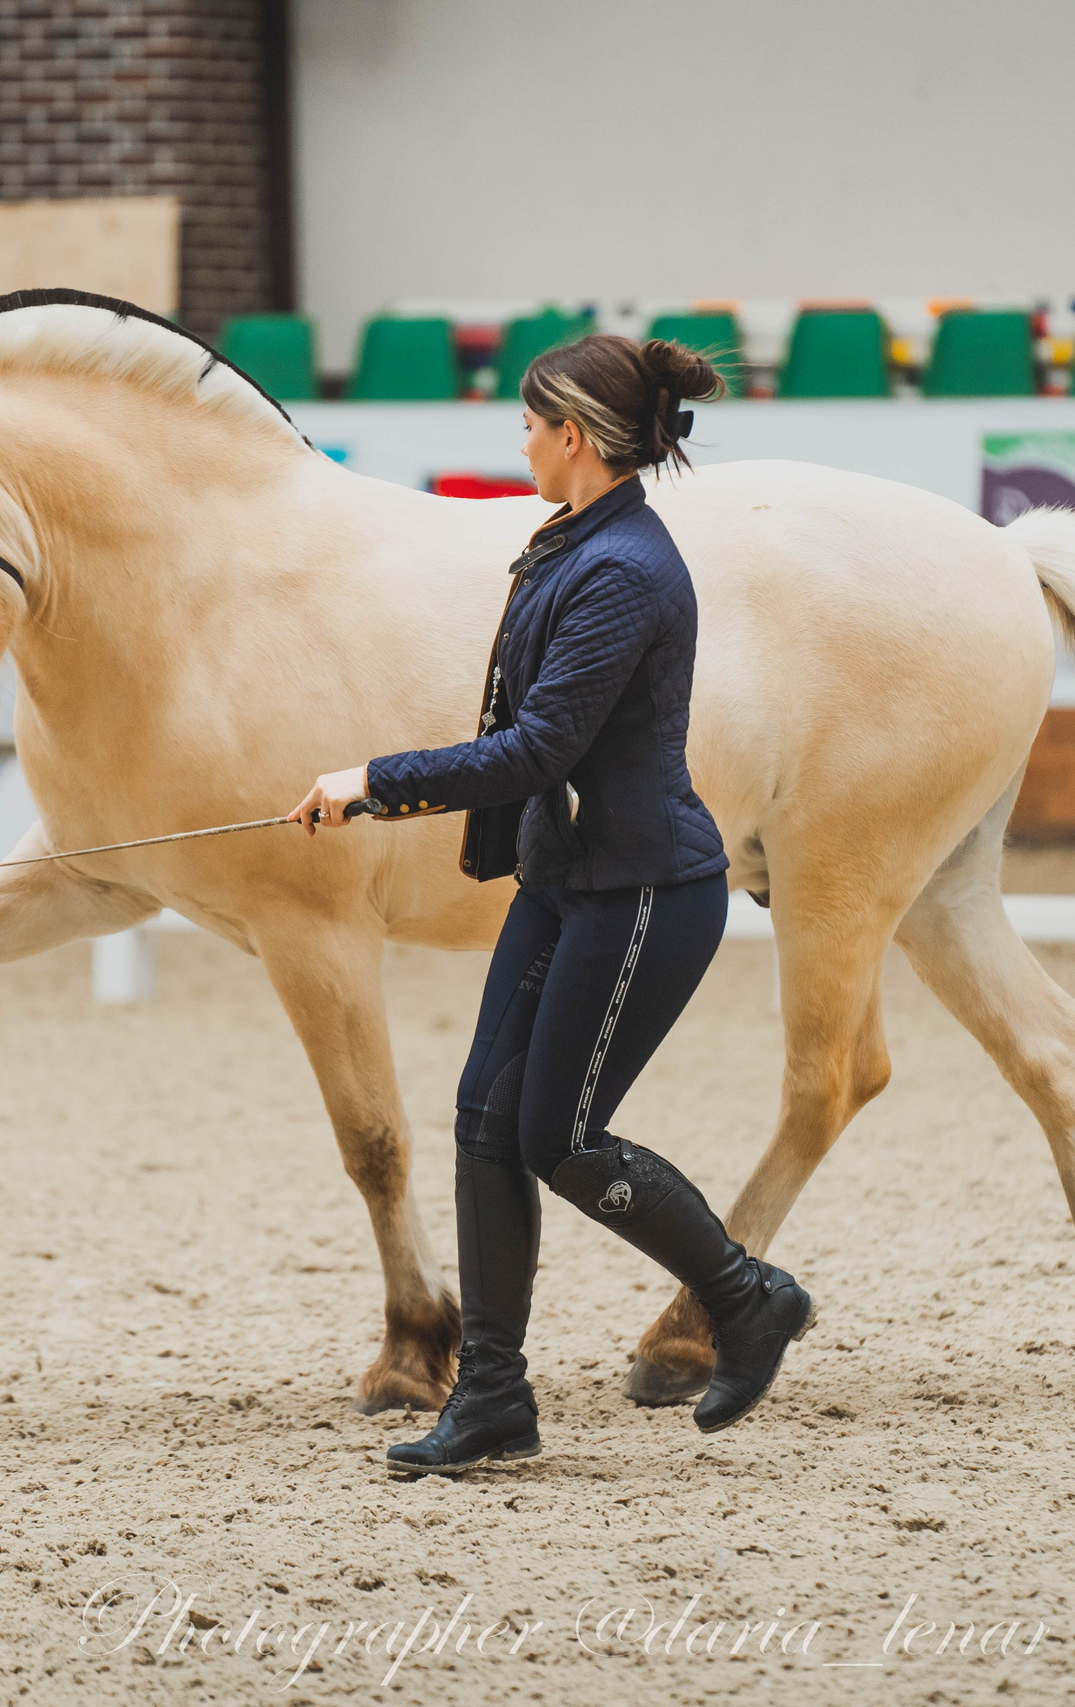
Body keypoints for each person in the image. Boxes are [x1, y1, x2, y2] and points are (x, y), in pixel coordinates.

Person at [286, 333, 814, 1474]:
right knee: (486, 1118)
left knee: (557, 1136)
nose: (519, 441)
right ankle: (492, 1397)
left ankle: (745, 1293)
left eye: (529, 425)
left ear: (574, 437)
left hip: (641, 892)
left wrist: (376, 781)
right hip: (567, 877)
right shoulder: (567, 541)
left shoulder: (624, 570)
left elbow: (538, 747)